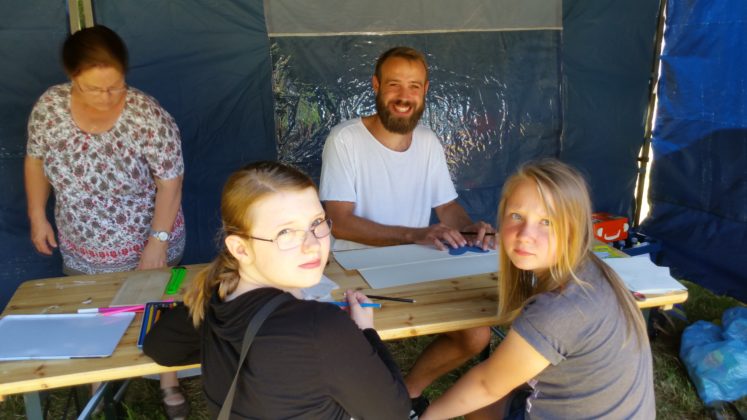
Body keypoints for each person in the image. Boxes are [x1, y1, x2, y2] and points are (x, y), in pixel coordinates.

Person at [319, 46, 494, 414]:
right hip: (354, 273)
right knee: (349, 347)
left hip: (415, 266)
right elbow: (340, 221)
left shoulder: (428, 140)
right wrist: (416, 234)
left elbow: (446, 208)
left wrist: (470, 228)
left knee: (476, 335)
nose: (404, 96)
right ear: (376, 86)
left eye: (414, 86)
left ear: (426, 89)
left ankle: (408, 394)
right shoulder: (345, 139)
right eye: (394, 84)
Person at [24, 25, 188, 419]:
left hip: (147, 236)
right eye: (94, 88)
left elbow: (171, 181)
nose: (107, 96)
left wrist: (159, 241)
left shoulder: (147, 114)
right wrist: (36, 215)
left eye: (115, 86)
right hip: (83, 240)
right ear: (71, 77)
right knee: (93, 315)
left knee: (158, 308)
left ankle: (168, 380)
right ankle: (100, 384)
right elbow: (35, 160)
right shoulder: (49, 107)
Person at [420, 159, 655, 419]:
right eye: (517, 216)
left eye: (547, 222)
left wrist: (426, 417)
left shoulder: (557, 310)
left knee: (481, 399)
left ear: (573, 228)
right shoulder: (591, 269)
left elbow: (487, 385)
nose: (524, 234)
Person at [177, 161, 410, 419]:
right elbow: (394, 413)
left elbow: (161, 349)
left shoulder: (216, 296)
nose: (312, 244)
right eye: (285, 232)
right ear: (240, 249)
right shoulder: (319, 328)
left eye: (317, 222)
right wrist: (367, 332)